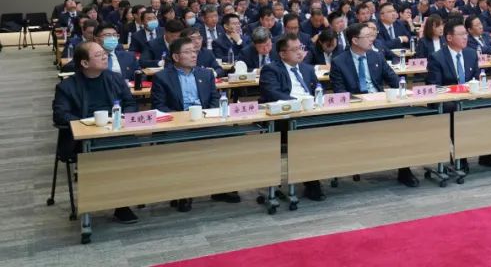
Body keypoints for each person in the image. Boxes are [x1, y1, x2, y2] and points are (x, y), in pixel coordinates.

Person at [52, 41, 139, 224]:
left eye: (104, 53)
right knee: (112, 156)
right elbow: (60, 115)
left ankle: (123, 202)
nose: (105, 56)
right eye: (98, 55)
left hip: (116, 132)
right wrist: (87, 123)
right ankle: (111, 206)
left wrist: (124, 117)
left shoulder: (115, 78)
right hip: (85, 139)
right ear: (84, 63)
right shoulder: (67, 86)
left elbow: (130, 104)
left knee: (136, 151)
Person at [150, 36, 241, 210]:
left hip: (205, 121)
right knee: (182, 146)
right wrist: (184, 118)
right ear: (176, 57)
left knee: (232, 136)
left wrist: (207, 116)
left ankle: (221, 187)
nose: (194, 55)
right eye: (188, 52)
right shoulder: (162, 77)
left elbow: (215, 99)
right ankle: (183, 191)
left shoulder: (205, 74)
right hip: (178, 124)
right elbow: (159, 106)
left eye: (195, 51)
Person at [329, 24, 419, 187]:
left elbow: (394, 80)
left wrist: (404, 91)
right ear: (355, 40)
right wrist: (362, 101)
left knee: (402, 127)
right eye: (367, 36)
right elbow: (340, 93)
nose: (372, 39)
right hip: (356, 109)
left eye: (372, 35)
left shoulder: (376, 56)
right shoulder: (339, 62)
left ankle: (404, 170)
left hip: (380, 104)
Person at [425, 18, 491, 169]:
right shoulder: (437, 57)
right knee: (455, 110)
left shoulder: (471, 54)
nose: (465, 37)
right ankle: (461, 157)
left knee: (490, 106)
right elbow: (435, 87)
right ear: (449, 37)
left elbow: (476, 79)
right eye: (461, 34)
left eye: (466, 34)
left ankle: (486, 154)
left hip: (469, 97)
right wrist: (456, 91)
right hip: (448, 100)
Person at [259, 34, 324, 201]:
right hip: (286, 117)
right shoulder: (271, 69)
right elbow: (273, 94)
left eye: (301, 48)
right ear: (282, 54)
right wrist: (299, 103)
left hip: (311, 113)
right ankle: (312, 182)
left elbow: (318, 90)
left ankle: (324, 172)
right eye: (294, 49)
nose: (300, 52)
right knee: (308, 135)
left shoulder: (307, 69)